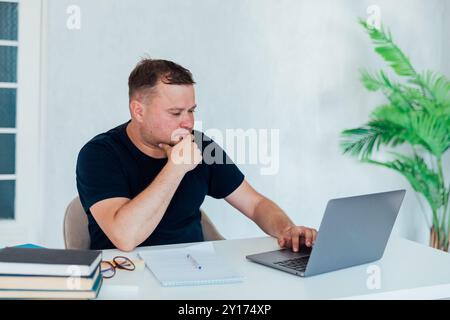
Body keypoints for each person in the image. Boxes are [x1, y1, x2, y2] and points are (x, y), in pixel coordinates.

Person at [76, 58, 317, 252]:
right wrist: (176, 168)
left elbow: (255, 204)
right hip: (126, 277)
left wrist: (287, 229)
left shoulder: (201, 145)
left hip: (194, 273)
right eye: (175, 112)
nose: (189, 122)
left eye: (191, 110)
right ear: (138, 110)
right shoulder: (99, 155)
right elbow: (125, 238)